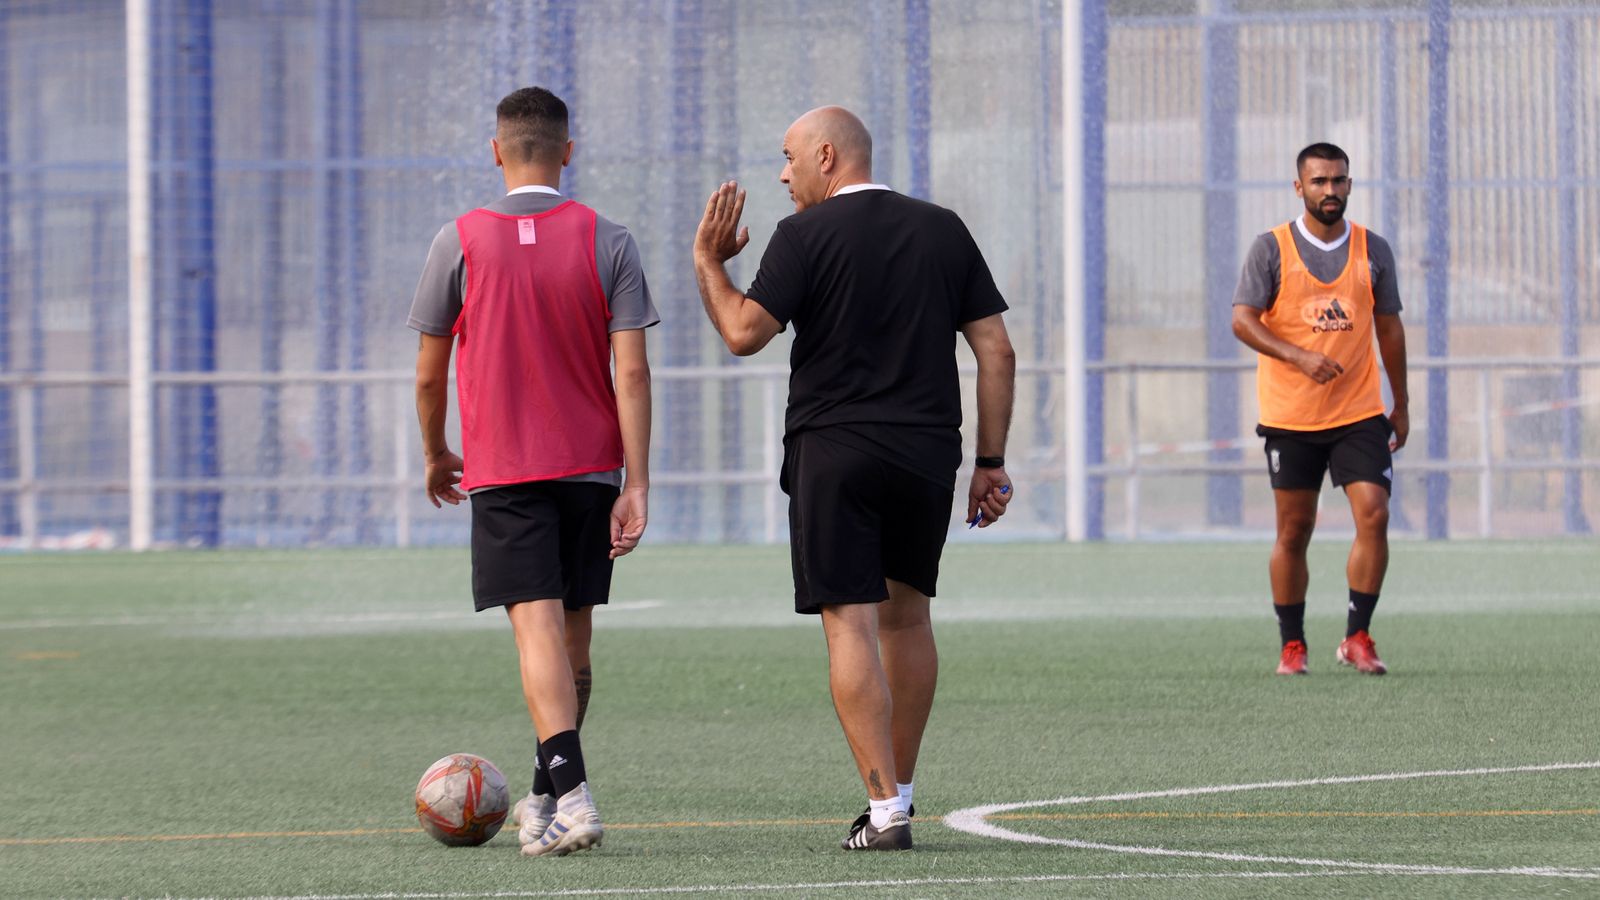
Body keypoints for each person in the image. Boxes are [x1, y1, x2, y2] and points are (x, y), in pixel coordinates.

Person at [692, 106, 1016, 851]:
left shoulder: (803, 235)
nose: (782, 173)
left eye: (789, 157)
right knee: (908, 618)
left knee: (851, 623)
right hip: (927, 454)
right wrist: (990, 463)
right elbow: (996, 351)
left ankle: (884, 814)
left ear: (828, 156)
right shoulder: (943, 227)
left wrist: (709, 261)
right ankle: (898, 796)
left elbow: (744, 333)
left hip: (834, 453)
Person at [408, 86, 657, 857]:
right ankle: (543, 801)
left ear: (495, 150)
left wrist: (435, 451)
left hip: (506, 471)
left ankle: (575, 796)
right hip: (590, 470)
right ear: (568, 151)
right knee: (573, 646)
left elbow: (427, 373)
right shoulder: (608, 238)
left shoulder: (459, 239)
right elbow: (634, 372)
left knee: (539, 638)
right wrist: (636, 482)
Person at [1231, 142, 1409, 677]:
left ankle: (1358, 636)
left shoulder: (1373, 250)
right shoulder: (1271, 249)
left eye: (1339, 181)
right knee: (1294, 530)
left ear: (1350, 185)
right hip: (1292, 417)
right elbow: (1243, 320)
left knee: (1374, 513)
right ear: (1299, 188)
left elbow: (1390, 329)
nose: (1330, 191)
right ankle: (1293, 644)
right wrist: (1299, 355)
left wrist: (1401, 402)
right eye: (1319, 182)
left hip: (1359, 412)